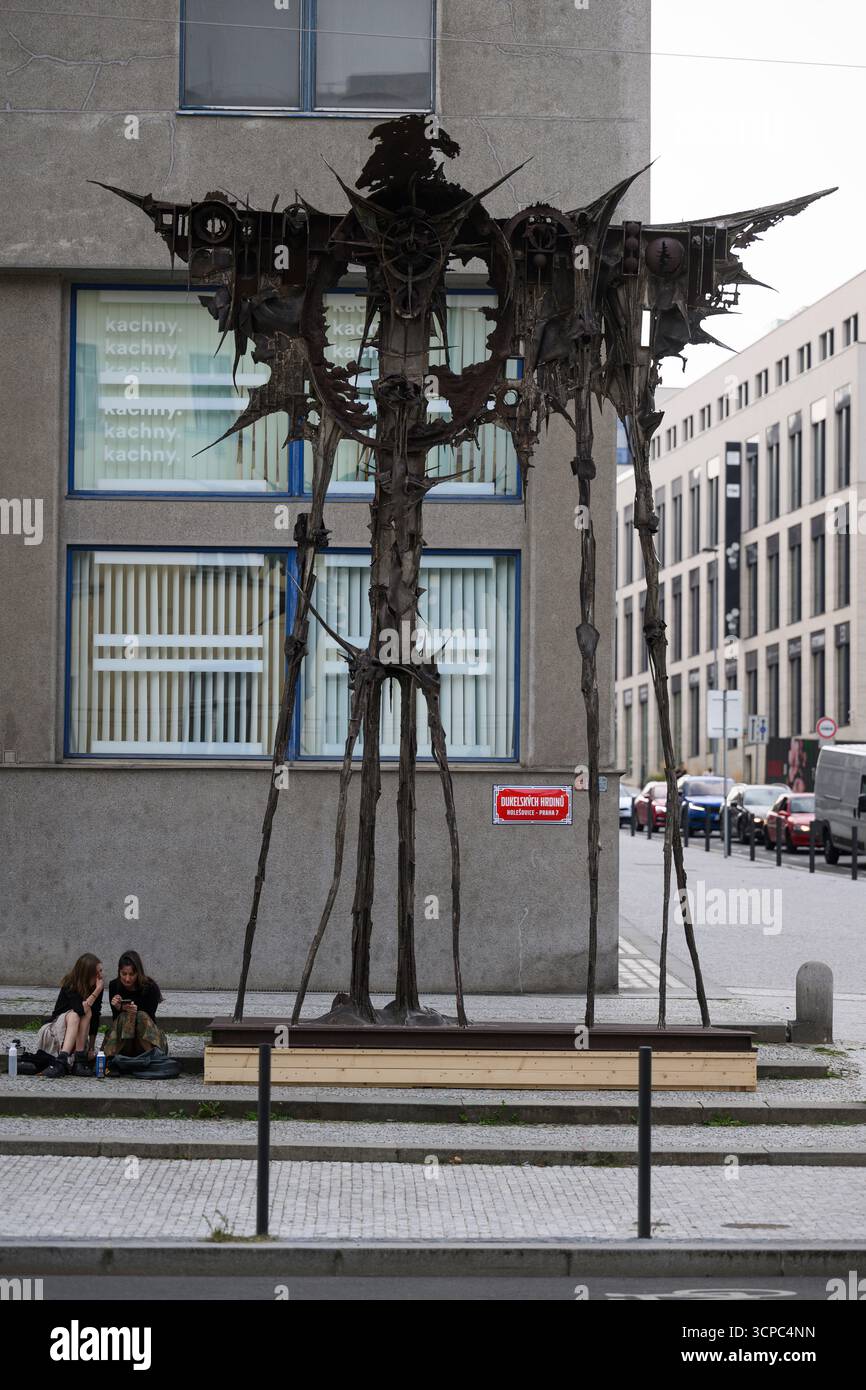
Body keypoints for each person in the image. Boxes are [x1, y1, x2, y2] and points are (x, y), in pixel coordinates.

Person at [36, 954, 104, 1078]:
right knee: (78, 1013)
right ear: (87, 973)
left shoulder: (96, 986)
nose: (101, 975)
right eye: (97, 972)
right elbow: (79, 1010)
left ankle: (79, 1061)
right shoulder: (70, 983)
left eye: (101, 971)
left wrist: (92, 1048)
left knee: (89, 1012)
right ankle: (62, 1060)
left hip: (78, 1036)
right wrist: (96, 992)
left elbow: (95, 1017)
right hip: (54, 1031)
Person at [103, 950, 167, 1060]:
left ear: (138, 973)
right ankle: (110, 1061)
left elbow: (150, 1019)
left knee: (140, 1016)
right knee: (124, 1017)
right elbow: (116, 1021)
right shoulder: (114, 985)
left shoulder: (150, 987)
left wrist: (135, 1012)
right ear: (119, 972)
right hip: (124, 1043)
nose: (127, 979)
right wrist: (119, 1008)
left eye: (132, 974)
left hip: (147, 1041)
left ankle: (154, 1059)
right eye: (124, 974)